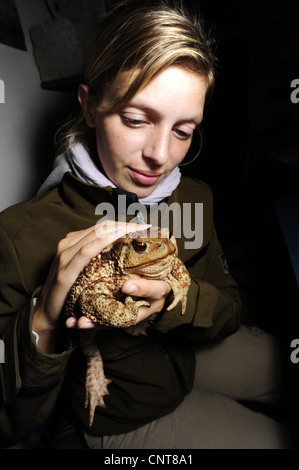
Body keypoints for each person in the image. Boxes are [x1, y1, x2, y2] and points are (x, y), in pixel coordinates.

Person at [0, 0, 291, 449]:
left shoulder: (196, 197)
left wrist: (174, 301)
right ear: (90, 106)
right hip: (122, 410)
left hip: (191, 352)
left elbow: (230, 308)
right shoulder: (19, 237)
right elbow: (9, 423)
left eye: (183, 130)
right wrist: (45, 316)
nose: (159, 155)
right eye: (136, 120)